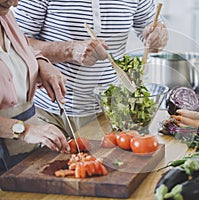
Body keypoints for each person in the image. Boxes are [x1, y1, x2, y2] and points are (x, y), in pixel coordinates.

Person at [13, 0, 168, 136]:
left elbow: (153, 34)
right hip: (50, 113)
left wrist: (158, 36)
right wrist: (70, 50)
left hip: (108, 113)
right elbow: (14, 41)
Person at [0, 0, 70, 174]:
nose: (15, 3)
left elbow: (23, 49)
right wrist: (24, 130)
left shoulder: (5, 16)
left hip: (24, 152)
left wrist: (41, 64)